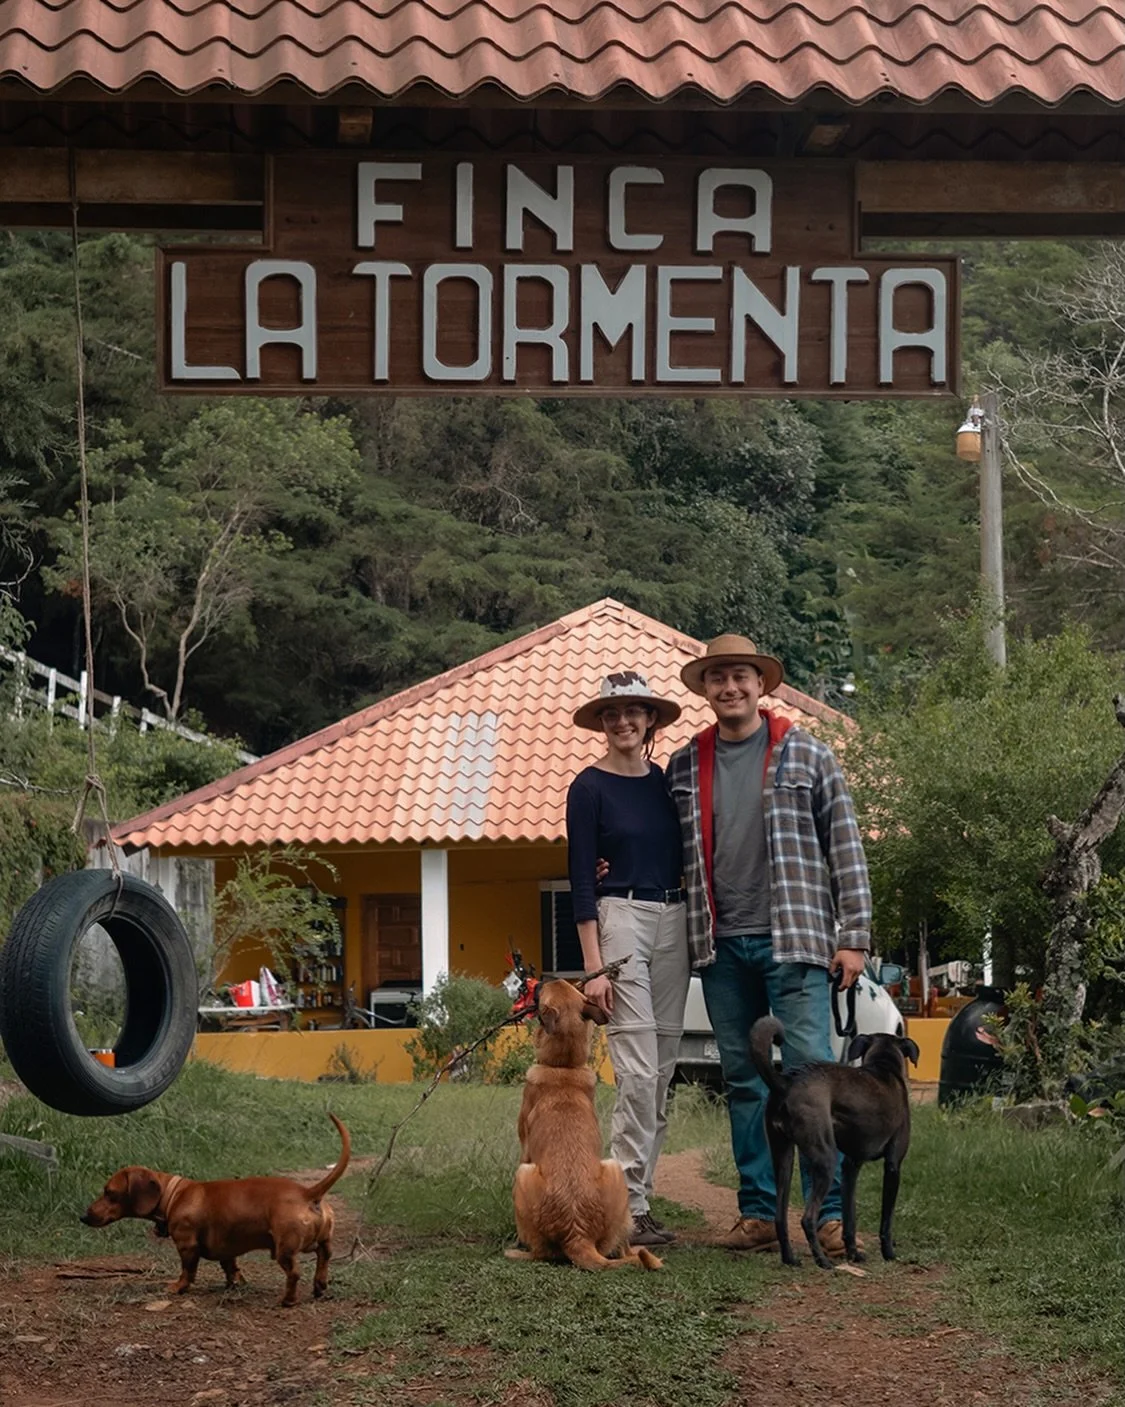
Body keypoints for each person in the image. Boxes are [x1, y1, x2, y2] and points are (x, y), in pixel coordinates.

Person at [665, 634, 872, 1256]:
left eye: (741, 676)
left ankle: (829, 1214)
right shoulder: (683, 766)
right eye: (718, 678)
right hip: (721, 946)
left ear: (762, 684)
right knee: (746, 1080)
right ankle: (759, 1212)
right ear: (705, 688)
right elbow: (659, 844)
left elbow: (846, 850)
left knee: (811, 1080)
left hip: (798, 941)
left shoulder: (808, 755)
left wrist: (853, 938)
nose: (730, 687)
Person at [566, 671, 690, 1249]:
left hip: (676, 921)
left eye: (633, 712)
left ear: (650, 721)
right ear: (601, 723)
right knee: (637, 1070)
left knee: (662, 1070)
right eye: (611, 714)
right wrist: (592, 970)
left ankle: (638, 1197)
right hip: (621, 921)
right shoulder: (588, 788)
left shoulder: (665, 784)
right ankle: (624, 1206)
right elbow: (580, 883)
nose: (622, 722)